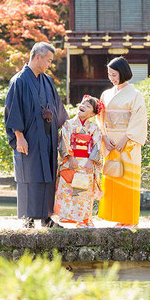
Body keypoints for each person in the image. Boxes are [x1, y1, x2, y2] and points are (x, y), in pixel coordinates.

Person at [4, 42, 68, 228]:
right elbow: (12, 109)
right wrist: (19, 135)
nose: (49, 64)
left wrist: (69, 126)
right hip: (29, 138)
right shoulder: (19, 80)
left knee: (47, 175)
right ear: (37, 57)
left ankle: (46, 218)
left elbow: (57, 108)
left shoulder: (47, 80)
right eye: (48, 60)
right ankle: (27, 219)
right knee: (29, 176)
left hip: (47, 137)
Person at [97, 57, 147, 227]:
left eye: (114, 74)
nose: (112, 78)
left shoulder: (135, 95)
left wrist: (126, 138)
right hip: (110, 143)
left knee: (127, 179)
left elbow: (139, 118)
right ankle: (115, 216)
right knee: (112, 178)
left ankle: (128, 218)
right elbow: (100, 118)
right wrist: (104, 136)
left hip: (127, 144)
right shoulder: (106, 94)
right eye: (110, 74)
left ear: (123, 73)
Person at [54, 95, 104, 227]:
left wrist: (91, 161)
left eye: (88, 106)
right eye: (82, 104)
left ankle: (84, 220)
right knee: (68, 191)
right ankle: (67, 218)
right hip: (70, 163)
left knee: (84, 193)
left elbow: (97, 145)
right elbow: (63, 141)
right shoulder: (68, 124)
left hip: (86, 163)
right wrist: (70, 158)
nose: (83, 106)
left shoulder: (94, 128)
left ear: (93, 113)